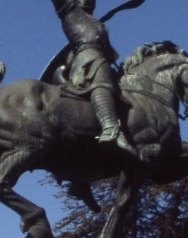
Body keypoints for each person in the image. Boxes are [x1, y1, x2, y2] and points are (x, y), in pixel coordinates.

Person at [51, 0, 138, 157]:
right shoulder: (70, 11)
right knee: (101, 81)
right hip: (88, 59)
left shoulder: (94, 21)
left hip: (100, 58)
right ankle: (110, 127)